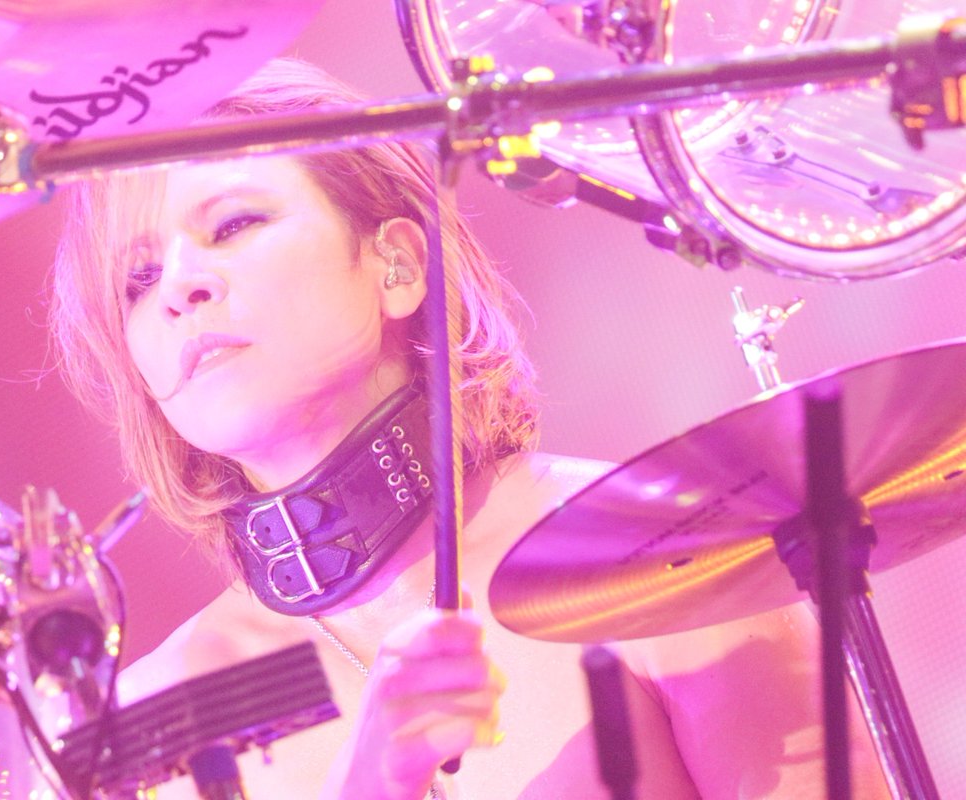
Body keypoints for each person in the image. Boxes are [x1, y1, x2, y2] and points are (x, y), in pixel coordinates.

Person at [49, 58, 888, 799]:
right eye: (138, 279)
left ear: (397, 264)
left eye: (234, 225)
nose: (180, 287)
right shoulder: (142, 730)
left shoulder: (663, 545)